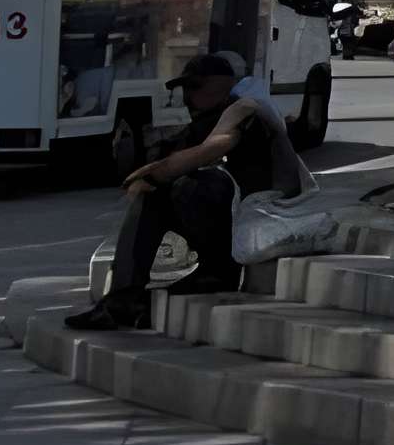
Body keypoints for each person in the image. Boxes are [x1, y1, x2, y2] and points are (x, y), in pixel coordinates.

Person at [62, 53, 294, 331]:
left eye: (194, 88)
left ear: (219, 85)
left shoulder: (243, 112)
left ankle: (132, 297)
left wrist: (156, 173)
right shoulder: (210, 117)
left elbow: (213, 148)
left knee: (188, 186)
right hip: (228, 243)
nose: (186, 98)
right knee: (158, 198)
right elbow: (181, 148)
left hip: (248, 228)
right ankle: (125, 297)